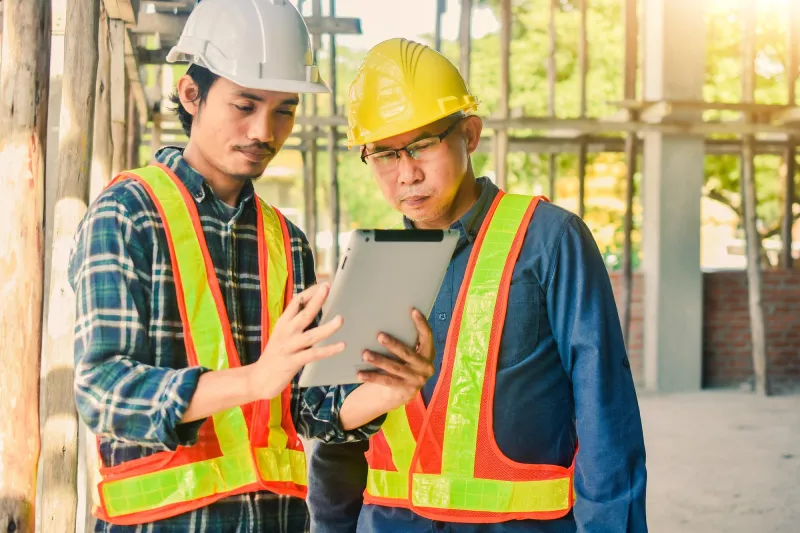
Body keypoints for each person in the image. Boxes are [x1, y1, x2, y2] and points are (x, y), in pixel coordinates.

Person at [69, 4, 435, 532]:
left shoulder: (288, 242)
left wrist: (389, 390)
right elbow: (102, 392)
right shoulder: (127, 213)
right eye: (244, 104)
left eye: (284, 109)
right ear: (190, 95)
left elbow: (309, 409)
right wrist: (256, 379)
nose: (264, 130)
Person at [306, 37, 648, 533]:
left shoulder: (549, 240)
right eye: (383, 154)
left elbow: (604, 414)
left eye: (422, 144)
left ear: (469, 133)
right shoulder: (369, 264)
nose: (407, 174)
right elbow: (343, 435)